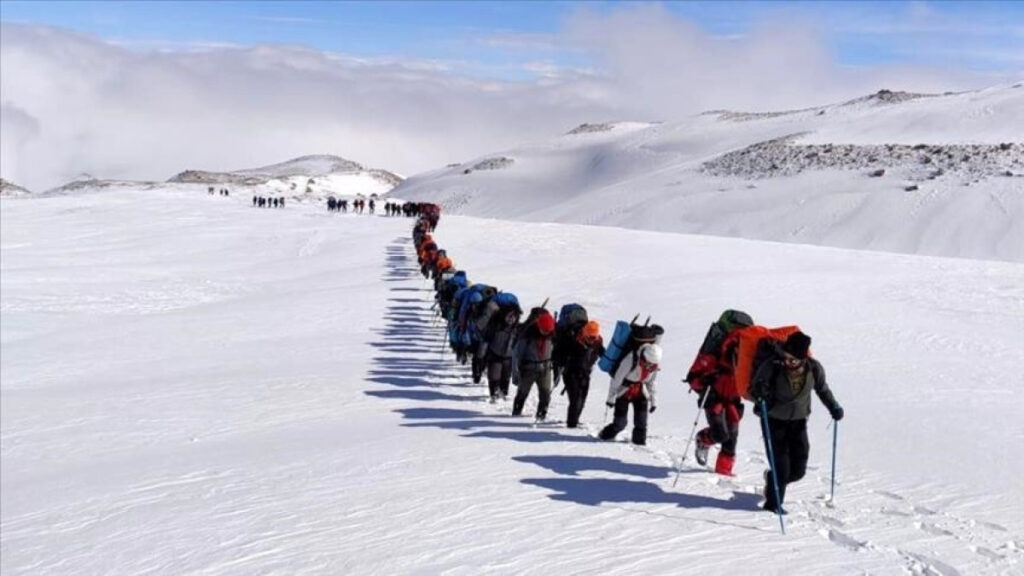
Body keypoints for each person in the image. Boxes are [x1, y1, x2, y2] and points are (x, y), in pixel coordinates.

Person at [751, 331, 843, 515]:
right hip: (774, 420)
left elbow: (822, 390)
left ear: (802, 358)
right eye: (786, 357)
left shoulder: (813, 369)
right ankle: (773, 506)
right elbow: (755, 388)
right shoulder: (772, 366)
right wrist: (760, 394)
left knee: (799, 470)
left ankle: (772, 479)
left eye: (793, 360)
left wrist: (833, 406)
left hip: (799, 422)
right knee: (782, 467)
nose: (788, 362)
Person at [688, 310, 754, 476]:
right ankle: (703, 439)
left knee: (731, 438)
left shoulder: (747, 355)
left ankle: (723, 473)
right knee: (720, 433)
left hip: (733, 398)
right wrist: (703, 384)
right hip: (714, 396)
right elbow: (695, 374)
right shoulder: (718, 352)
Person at [599, 343, 662, 445]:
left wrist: (654, 401)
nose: (650, 366)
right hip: (623, 392)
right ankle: (604, 435)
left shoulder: (654, 365)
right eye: (649, 363)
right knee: (620, 423)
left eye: (652, 365)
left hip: (640, 393)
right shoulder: (630, 359)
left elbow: (651, 382)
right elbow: (617, 379)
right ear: (645, 357)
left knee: (641, 422)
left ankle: (639, 444)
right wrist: (610, 398)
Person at [556, 321, 604, 428]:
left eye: (594, 337)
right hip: (570, 373)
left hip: (585, 373)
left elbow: (604, 355)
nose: (592, 340)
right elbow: (559, 354)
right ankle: (571, 425)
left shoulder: (597, 342)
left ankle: (575, 420)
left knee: (582, 399)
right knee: (575, 398)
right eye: (590, 337)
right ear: (585, 333)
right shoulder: (573, 341)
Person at [511, 310, 556, 419]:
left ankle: (541, 417)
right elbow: (517, 354)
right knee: (522, 393)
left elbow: (556, 352)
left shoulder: (552, 334)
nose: (546, 333)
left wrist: (556, 368)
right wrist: (515, 373)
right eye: (544, 330)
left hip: (545, 369)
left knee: (545, 396)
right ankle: (516, 414)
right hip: (528, 369)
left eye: (548, 331)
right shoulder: (527, 334)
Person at [483, 307, 520, 402]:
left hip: (509, 356)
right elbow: (486, 338)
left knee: (506, 376)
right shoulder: (496, 326)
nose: (511, 319)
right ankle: (494, 394)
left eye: (514, 317)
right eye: (509, 316)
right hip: (495, 353)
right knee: (494, 375)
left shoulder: (517, 328)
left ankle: (503, 393)